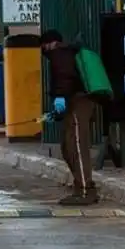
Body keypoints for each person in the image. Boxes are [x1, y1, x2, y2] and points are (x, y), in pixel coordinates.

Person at [41, 29, 99, 206]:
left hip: (78, 102)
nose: (43, 51)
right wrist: (57, 113)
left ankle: (84, 191)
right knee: (68, 147)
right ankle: (81, 186)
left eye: (43, 47)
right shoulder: (65, 53)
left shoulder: (60, 53)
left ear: (50, 43)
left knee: (76, 146)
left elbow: (65, 78)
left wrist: (59, 97)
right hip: (74, 103)